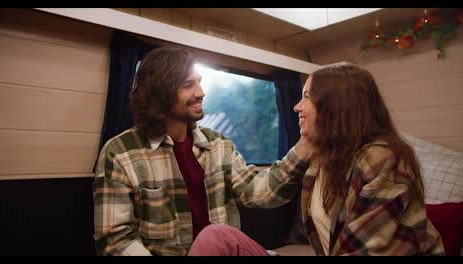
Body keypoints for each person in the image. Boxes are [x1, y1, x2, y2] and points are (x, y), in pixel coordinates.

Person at [188, 63, 445, 256]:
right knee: (216, 237)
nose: (296, 107)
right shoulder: (319, 161)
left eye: (307, 97)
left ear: (337, 105)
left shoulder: (383, 158)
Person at [92, 46, 311, 256]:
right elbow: (117, 241)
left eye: (200, 83)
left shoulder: (218, 145)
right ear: (161, 93)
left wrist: (303, 148)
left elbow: (259, 192)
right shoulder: (119, 153)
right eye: (188, 85)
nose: (201, 92)